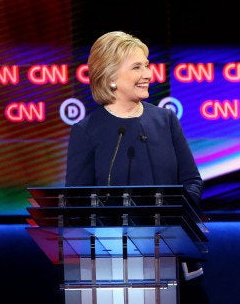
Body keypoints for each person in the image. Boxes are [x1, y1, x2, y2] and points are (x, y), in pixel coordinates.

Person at [65, 31, 207, 303]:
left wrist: (168, 218)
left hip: (173, 254)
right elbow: (77, 204)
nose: (149, 74)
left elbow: (192, 181)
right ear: (111, 78)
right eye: (137, 67)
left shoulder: (165, 120)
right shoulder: (86, 131)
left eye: (147, 64)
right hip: (114, 265)